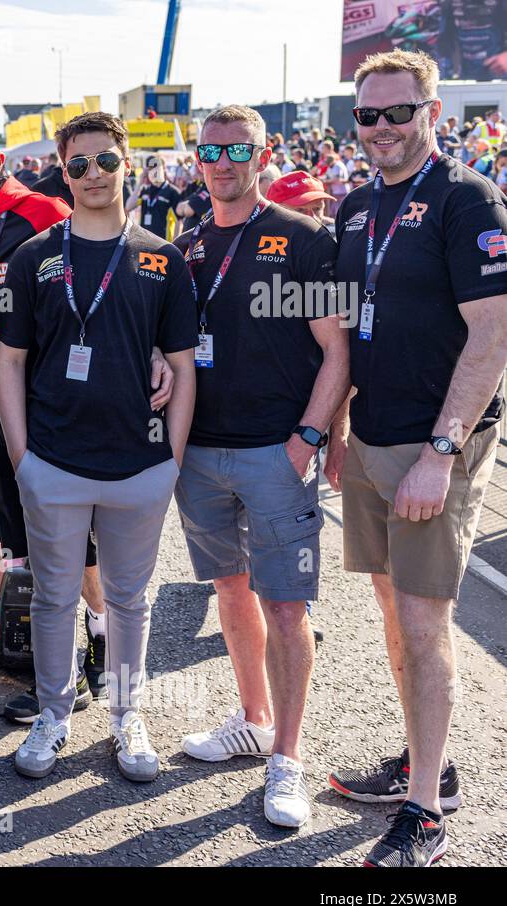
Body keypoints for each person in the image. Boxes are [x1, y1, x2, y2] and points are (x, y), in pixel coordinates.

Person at [324, 50, 507, 867]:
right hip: (372, 434)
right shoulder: (357, 205)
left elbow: (493, 333)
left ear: (432, 111)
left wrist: (442, 449)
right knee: (396, 620)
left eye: (401, 112)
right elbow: (342, 328)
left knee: (426, 626)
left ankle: (426, 813)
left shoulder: (467, 196)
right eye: (370, 115)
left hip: (438, 442)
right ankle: (424, 763)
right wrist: (335, 430)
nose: (384, 128)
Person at [0, 109, 175, 719]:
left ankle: (98, 643)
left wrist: (147, 345)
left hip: (61, 406)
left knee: (84, 551)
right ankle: (51, 677)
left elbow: (109, 277)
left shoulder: (45, 214)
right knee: (22, 544)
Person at [0, 111, 196, 782]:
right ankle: (54, 715)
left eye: (105, 161)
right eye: (78, 164)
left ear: (125, 164)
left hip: (139, 464)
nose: (93, 175)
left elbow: (183, 364)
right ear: (62, 168)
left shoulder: (159, 258)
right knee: (53, 597)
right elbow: (10, 363)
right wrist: (22, 460)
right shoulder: (35, 257)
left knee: (130, 599)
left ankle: (125, 714)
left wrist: (171, 460)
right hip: (53, 463)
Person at [171, 106, 349, 829]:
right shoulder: (185, 248)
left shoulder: (304, 237)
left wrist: (309, 438)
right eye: (209, 150)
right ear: (197, 159)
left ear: (262, 152)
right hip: (203, 454)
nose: (221, 161)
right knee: (230, 592)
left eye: (236, 148)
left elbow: (339, 349)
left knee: (285, 604)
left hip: (278, 449)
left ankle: (288, 759)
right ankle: (252, 719)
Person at [126, 152, 183, 239]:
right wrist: (140, 183)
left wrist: (176, 245)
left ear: (163, 168)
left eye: (156, 167)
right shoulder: (145, 190)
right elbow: (129, 207)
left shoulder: (173, 192)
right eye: (150, 168)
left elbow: (179, 221)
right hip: (145, 242)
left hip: (164, 244)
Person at [266, 170, 337, 229]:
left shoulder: (333, 233)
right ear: (276, 212)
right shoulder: (260, 238)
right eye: (300, 210)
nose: (312, 218)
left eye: (317, 209)